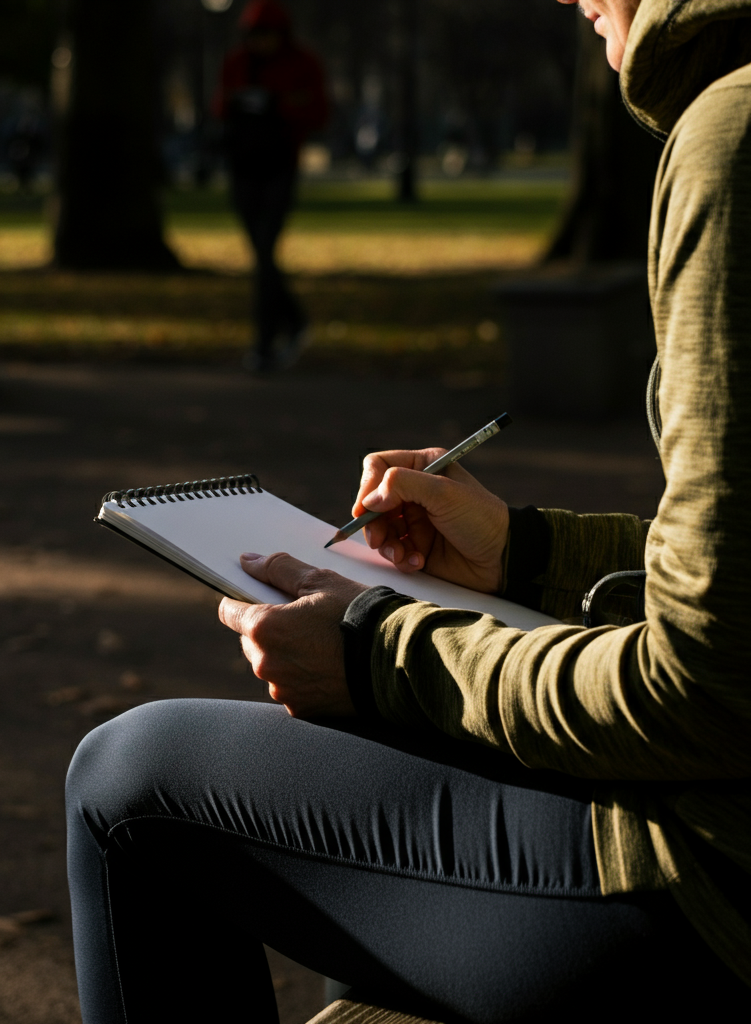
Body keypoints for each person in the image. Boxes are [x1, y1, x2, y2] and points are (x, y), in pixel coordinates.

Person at [65, 1, 751, 1020]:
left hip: (713, 900)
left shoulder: (731, 139)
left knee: (125, 777)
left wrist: (378, 649)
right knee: (395, 740)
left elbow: (706, 690)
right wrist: (526, 556)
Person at [212, 0, 328, 373]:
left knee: (265, 248)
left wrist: (278, 106)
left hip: (280, 165)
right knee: (260, 253)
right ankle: (294, 322)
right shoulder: (237, 63)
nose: (260, 43)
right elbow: (219, 105)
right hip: (244, 165)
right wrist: (239, 105)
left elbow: (318, 110)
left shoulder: (301, 63)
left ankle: (265, 343)